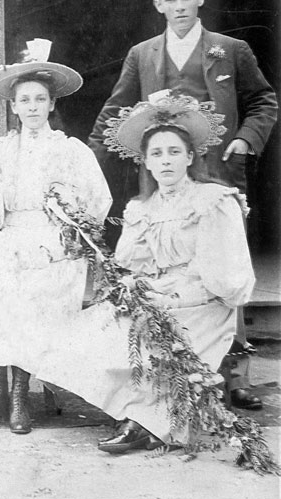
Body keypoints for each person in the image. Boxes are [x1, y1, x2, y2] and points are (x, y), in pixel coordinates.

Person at [87, 0, 277, 410]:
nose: (179, 7)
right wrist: (88, 157)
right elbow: (116, 108)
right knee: (168, 269)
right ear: (158, 6)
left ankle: (234, 375)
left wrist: (244, 140)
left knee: (224, 265)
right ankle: (172, 365)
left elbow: (264, 100)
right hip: (166, 173)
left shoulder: (230, 50)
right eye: (169, 0)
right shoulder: (143, 54)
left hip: (218, 172)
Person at [47, 95, 255, 452]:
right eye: (157, 154)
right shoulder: (142, 207)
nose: (166, 161)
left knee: (155, 336)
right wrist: (139, 286)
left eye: (174, 152)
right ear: (146, 161)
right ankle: (130, 409)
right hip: (160, 293)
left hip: (206, 302)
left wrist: (174, 297)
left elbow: (227, 280)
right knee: (95, 328)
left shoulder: (213, 200)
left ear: (190, 157)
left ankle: (145, 423)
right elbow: (135, 263)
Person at [0, 59, 112, 434]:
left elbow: (97, 200)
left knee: (29, 294)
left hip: (51, 245)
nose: (32, 107)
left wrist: (67, 235)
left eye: (40, 99)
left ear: (51, 104)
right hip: (8, 235)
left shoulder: (70, 150)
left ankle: (19, 397)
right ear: (13, 106)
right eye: (24, 100)